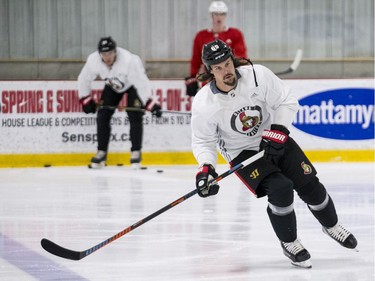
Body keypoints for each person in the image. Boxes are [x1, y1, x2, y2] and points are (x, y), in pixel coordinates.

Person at [191, 39, 358, 268]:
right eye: (218, 68)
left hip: (273, 137)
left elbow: (286, 101)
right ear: (210, 71)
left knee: (311, 186)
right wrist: (206, 169)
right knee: (280, 188)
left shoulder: (257, 75)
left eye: (227, 64)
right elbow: (203, 140)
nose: (225, 71)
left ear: (233, 60)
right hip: (242, 153)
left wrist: (278, 131)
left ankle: (332, 225)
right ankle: (290, 243)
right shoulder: (203, 102)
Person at [78, 36, 162, 169]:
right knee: (103, 115)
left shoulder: (129, 60)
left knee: (135, 115)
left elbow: (141, 82)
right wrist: (85, 98)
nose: (107, 57)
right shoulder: (93, 61)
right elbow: (84, 79)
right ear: (100, 54)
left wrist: (149, 102)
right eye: (104, 54)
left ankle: (135, 152)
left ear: (115, 52)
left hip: (132, 85)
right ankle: (101, 152)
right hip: (112, 85)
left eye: (110, 53)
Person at [185, 1, 248, 97]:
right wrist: (194, 77)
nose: (219, 17)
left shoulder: (235, 34)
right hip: (208, 84)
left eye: (222, 14)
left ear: (225, 15)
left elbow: (241, 58)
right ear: (211, 15)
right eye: (216, 14)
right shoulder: (201, 36)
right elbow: (196, 60)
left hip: (230, 82)